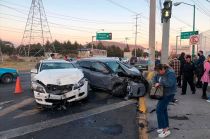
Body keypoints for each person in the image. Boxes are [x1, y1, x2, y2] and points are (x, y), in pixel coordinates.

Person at [153, 64, 177, 138]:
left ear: (163, 69)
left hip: (169, 94)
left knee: (159, 110)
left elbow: (170, 83)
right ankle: (165, 126)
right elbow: (155, 78)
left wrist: (160, 83)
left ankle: (165, 130)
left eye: (159, 71)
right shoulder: (159, 73)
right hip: (163, 93)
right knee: (163, 110)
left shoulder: (170, 73)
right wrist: (155, 82)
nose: (158, 73)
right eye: (157, 71)